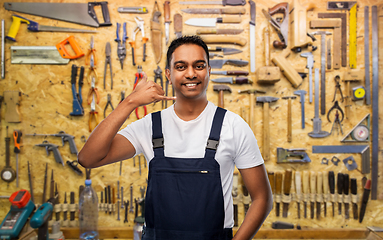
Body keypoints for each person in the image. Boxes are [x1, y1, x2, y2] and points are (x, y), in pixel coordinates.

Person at [78, 35, 272, 240]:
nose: (190, 73)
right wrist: (130, 102)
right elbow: (88, 158)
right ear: (168, 75)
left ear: (209, 71)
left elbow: (262, 199)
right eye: (181, 67)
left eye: (199, 66)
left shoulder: (233, 126)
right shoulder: (150, 126)